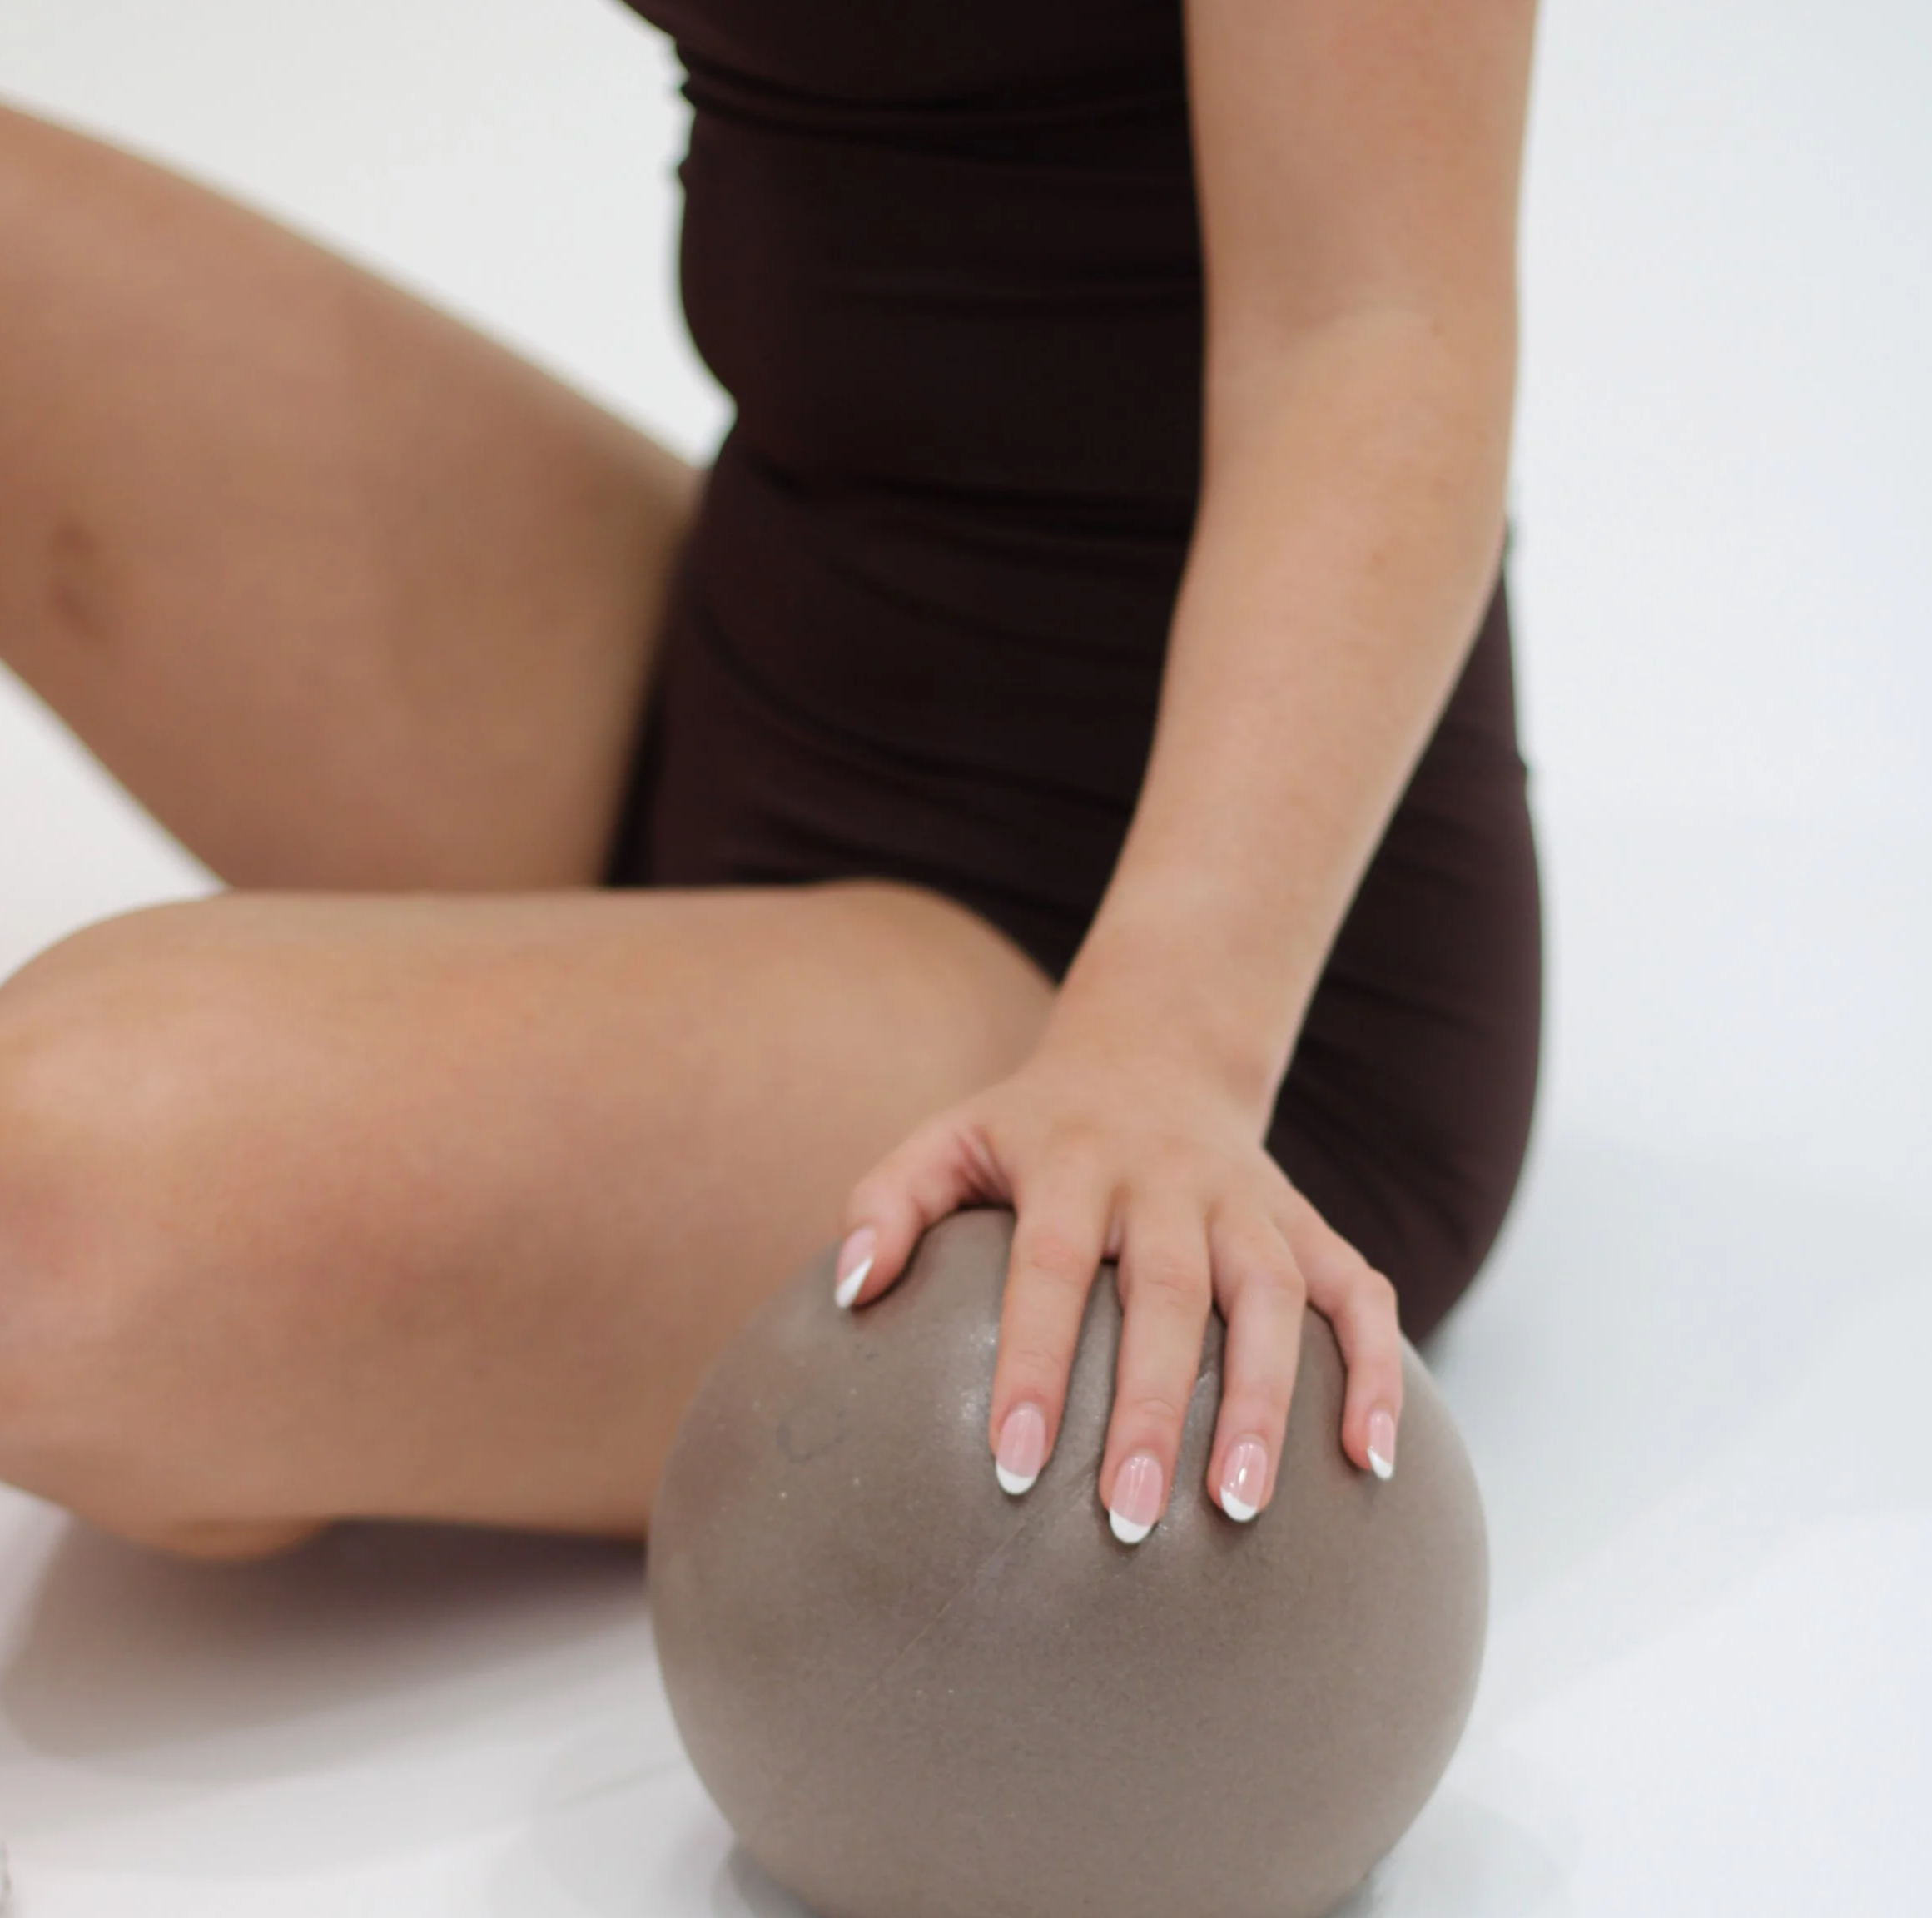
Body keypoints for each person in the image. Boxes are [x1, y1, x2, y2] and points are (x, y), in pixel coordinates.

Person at [0, 0, 1540, 1563]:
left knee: (41, 1225)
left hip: (1189, 971)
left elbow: (1377, 328)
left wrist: (1174, 1048)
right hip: (757, 662)